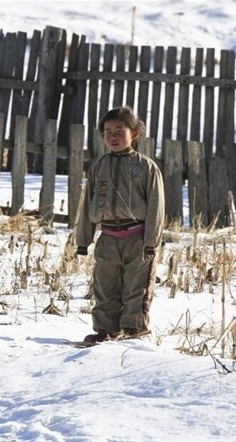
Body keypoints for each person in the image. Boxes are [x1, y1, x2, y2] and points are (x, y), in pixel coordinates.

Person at [75, 106, 165, 343]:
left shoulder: (146, 167)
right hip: (108, 238)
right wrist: (83, 240)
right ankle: (105, 329)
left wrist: (151, 242)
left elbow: (156, 206)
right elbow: (87, 206)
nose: (113, 137)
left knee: (137, 288)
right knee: (105, 287)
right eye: (107, 132)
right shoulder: (98, 167)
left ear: (134, 134)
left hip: (137, 238)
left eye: (119, 131)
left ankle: (134, 329)